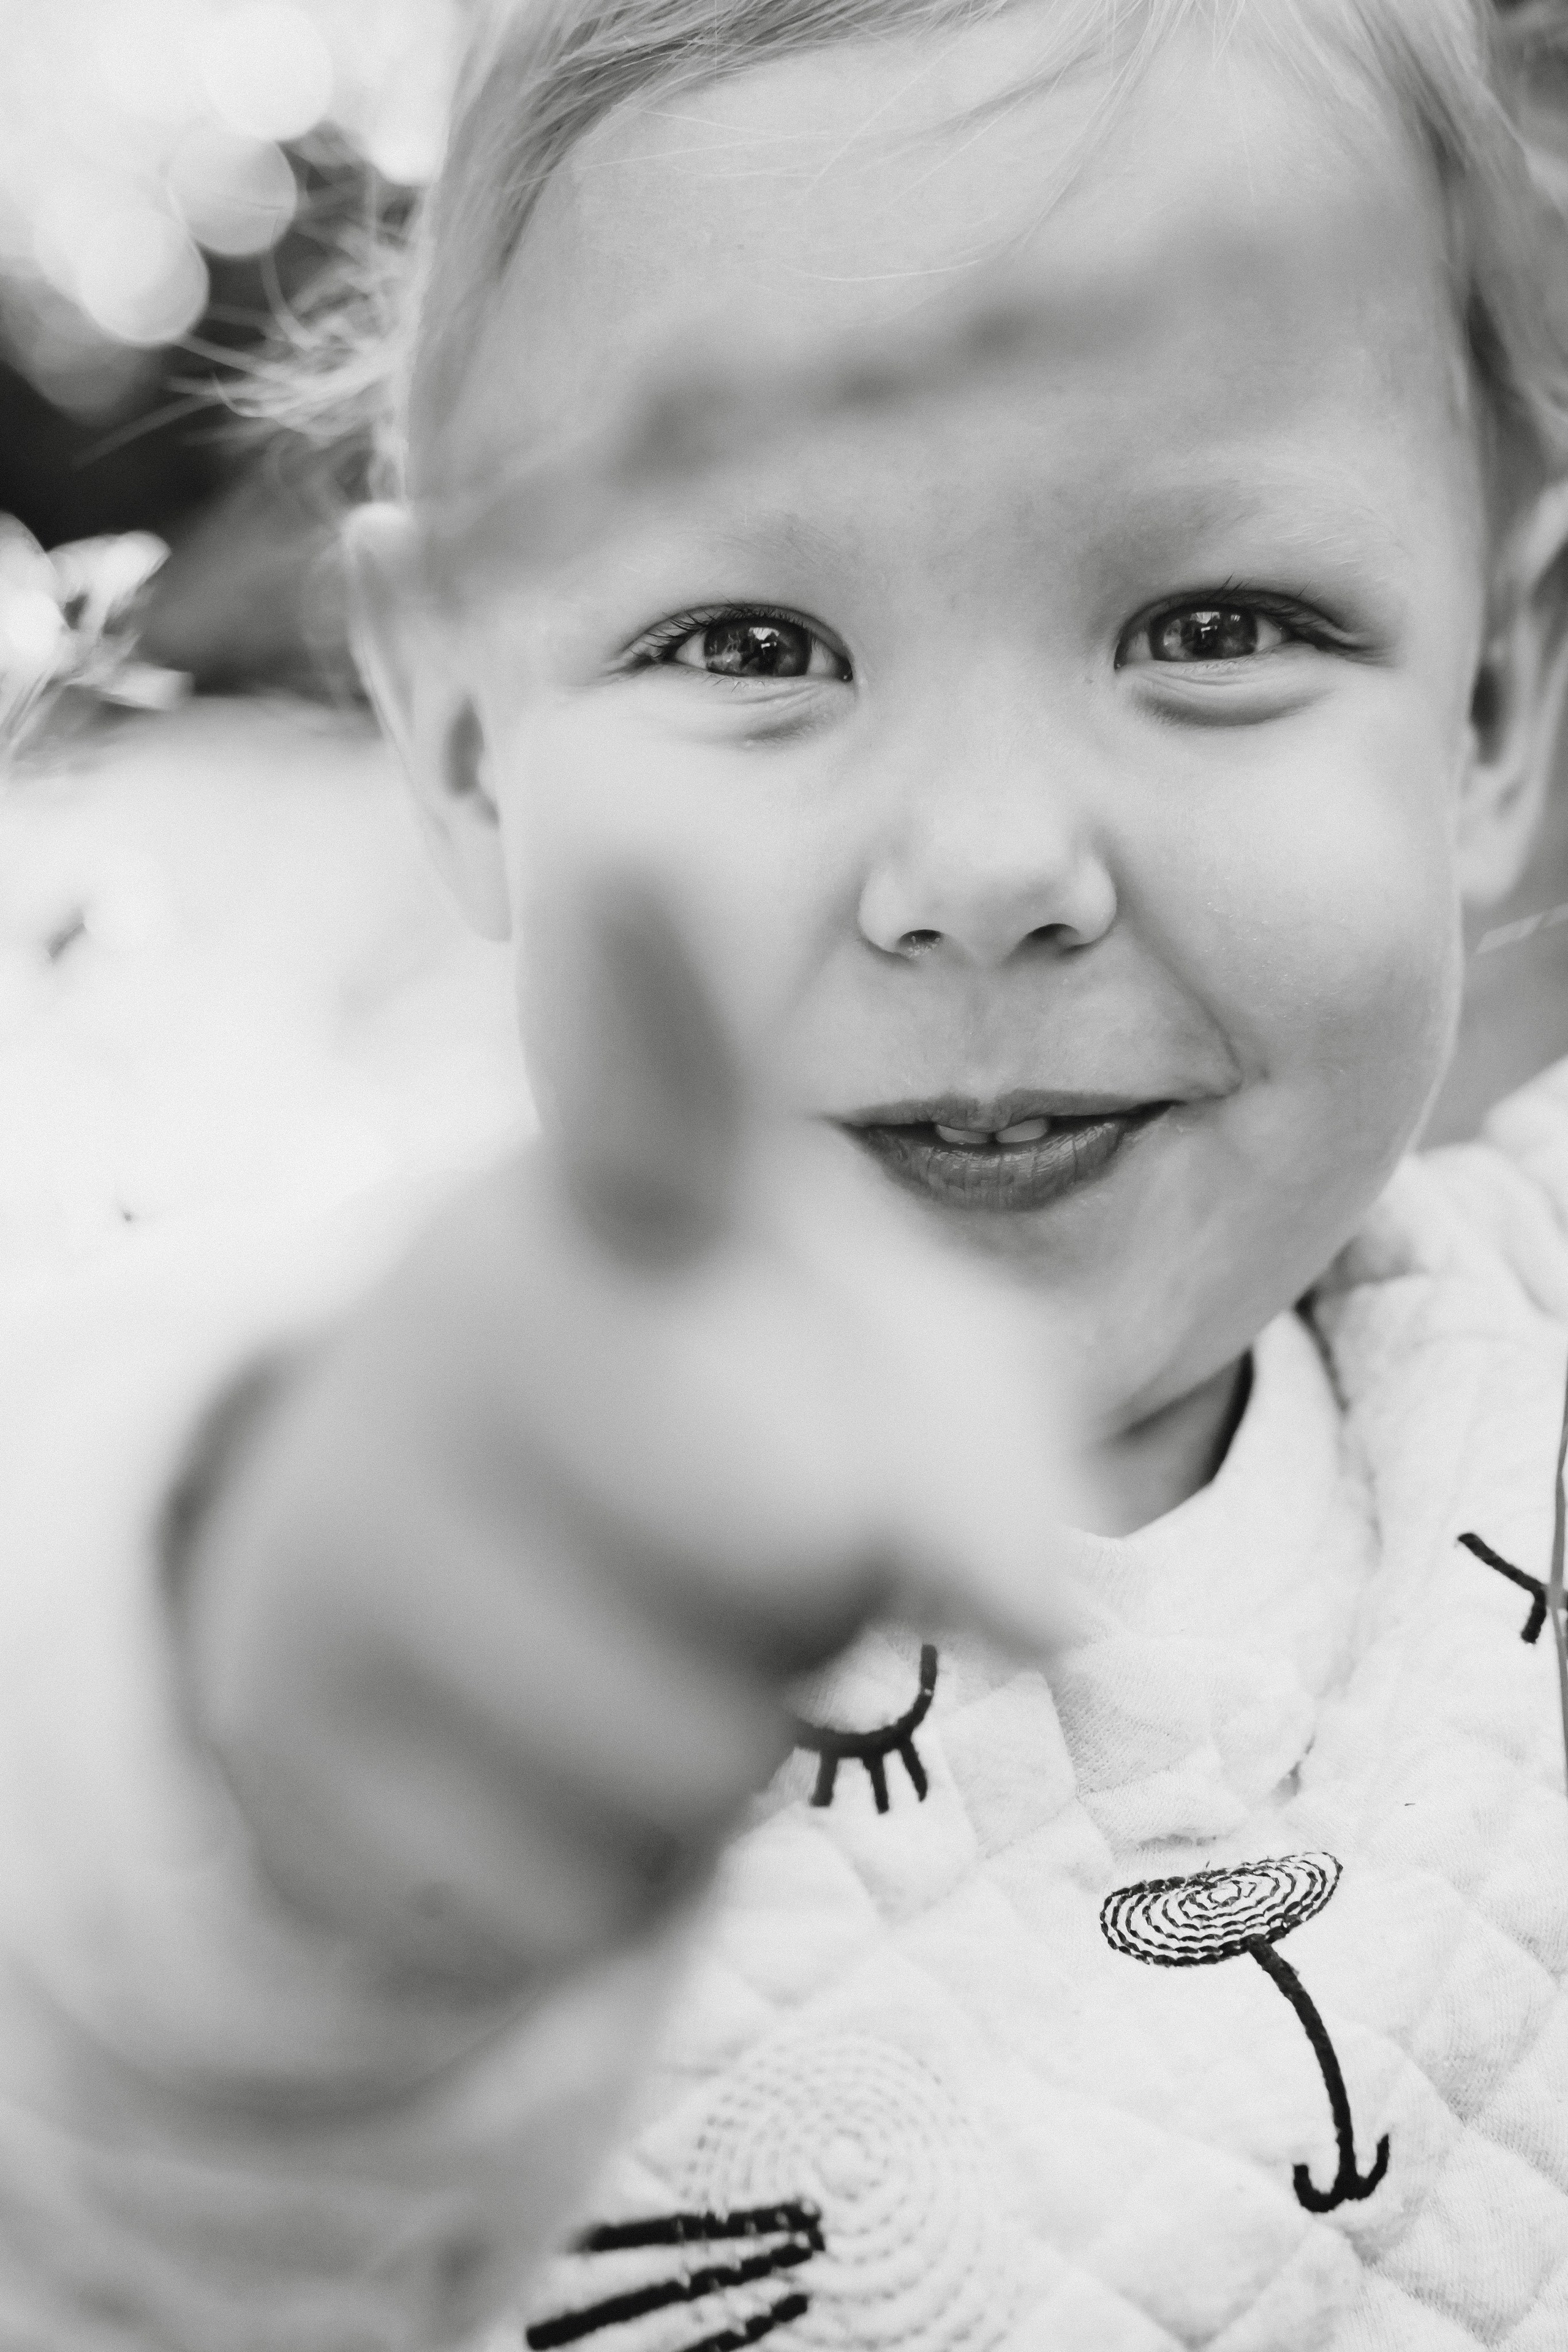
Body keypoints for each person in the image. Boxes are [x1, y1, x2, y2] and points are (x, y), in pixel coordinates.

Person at [4, 0, 1568, 2344]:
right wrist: (282, 1750)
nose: (986, 867)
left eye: (1217, 627)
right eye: (753, 641)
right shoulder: (443, 1490)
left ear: (1487, 712)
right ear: (459, 735)